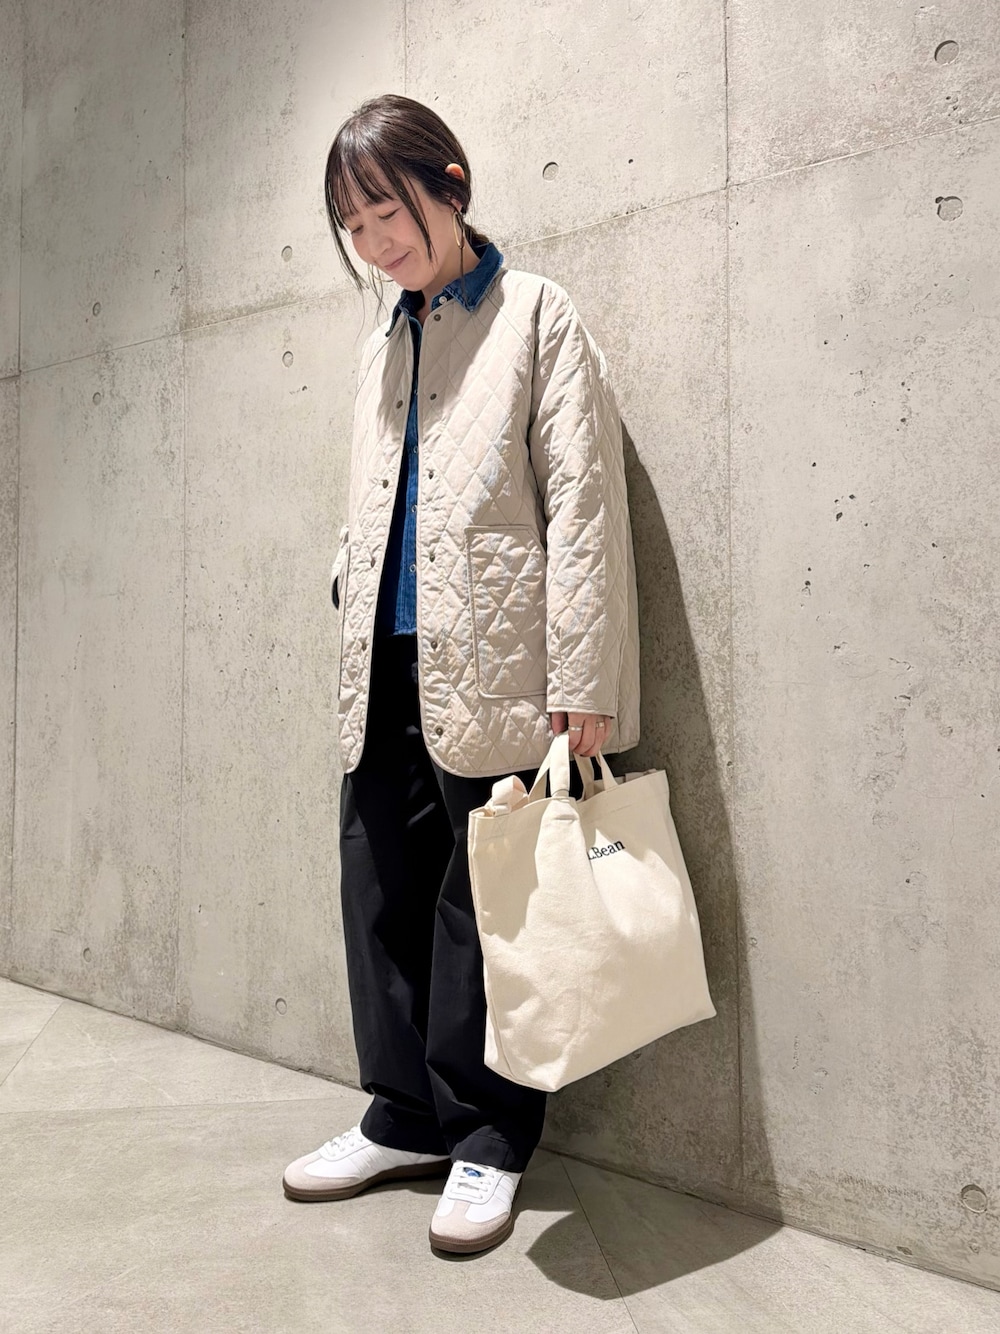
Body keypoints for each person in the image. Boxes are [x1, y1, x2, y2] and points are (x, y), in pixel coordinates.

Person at [282, 93, 640, 1256]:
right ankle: (399, 1114)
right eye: (353, 226)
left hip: (501, 666)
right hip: (382, 663)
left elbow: (582, 508)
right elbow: (368, 503)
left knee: (485, 908)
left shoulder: (535, 314)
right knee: (378, 888)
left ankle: (487, 1134)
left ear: (449, 183)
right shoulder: (381, 341)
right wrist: (348, 579)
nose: (373, 242)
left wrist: (583, 680)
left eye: (385, 211)